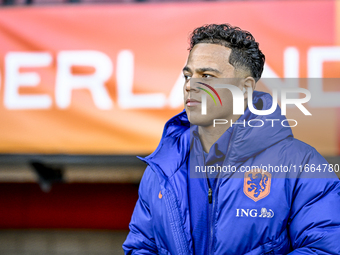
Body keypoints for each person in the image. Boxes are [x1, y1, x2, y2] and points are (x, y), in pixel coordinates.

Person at [123, 24, 340, 255]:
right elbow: (141, 247)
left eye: (207, 76)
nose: (190, 85)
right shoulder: (163, 167)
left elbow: (324, 249)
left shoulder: (303, 165)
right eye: (188, 75)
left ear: (245, 88)